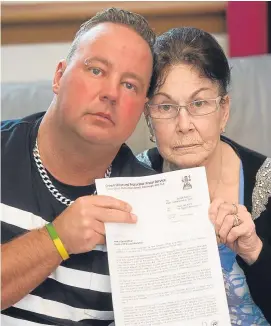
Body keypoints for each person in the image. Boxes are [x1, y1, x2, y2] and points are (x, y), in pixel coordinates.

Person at [1, 8, 156, 325]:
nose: (111, 93)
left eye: (129, 85)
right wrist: (57, 239)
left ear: (142, 109)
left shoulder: (151, 203)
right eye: (97, 70)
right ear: (59, 76)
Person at [138, 27, 271, 324]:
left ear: (224, 110)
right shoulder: (129, 182)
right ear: (148, 115)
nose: (183, 124)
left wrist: (254, 250)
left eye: (199, 104)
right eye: (166, 106)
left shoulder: (267, 182)